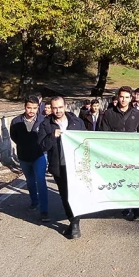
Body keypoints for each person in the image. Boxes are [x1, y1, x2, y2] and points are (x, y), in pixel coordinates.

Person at [38, 96, 87, 239]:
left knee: (76, 194)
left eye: (60, 107)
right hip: (59, 166)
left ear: (65, 106)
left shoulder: (77, 122)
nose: (57, 110)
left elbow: (86, 142)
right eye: (54, 108)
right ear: (51, 108)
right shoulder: (46, 124)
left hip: (77, 166)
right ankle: (74, 223)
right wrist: (52, 136)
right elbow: (41, 146)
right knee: (65, 195)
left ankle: (74, 223)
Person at [101, 86, 139, 220]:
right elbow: (104, 135)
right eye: (121, 97)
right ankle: (125, 205)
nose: (124, 100)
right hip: (116, 154)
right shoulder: (108, 114)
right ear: (117, 97)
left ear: (131, 98)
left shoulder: (137, 114)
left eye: (127, 97)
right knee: (121, 181)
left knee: (135, 181)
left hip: (133, 154)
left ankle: (137, 209)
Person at [10, 96, 49, 222]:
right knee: (30, 181)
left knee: (41, 181)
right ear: (24, 107)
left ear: (39, 107)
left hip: (39, 156)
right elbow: (14, 137)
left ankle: (44, 210)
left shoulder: (43, 120)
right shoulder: (16, 121)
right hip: (24, 157)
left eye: (34, 108)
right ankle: (34, 201)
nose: (31, 111)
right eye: (29, 108)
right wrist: (23, 145)